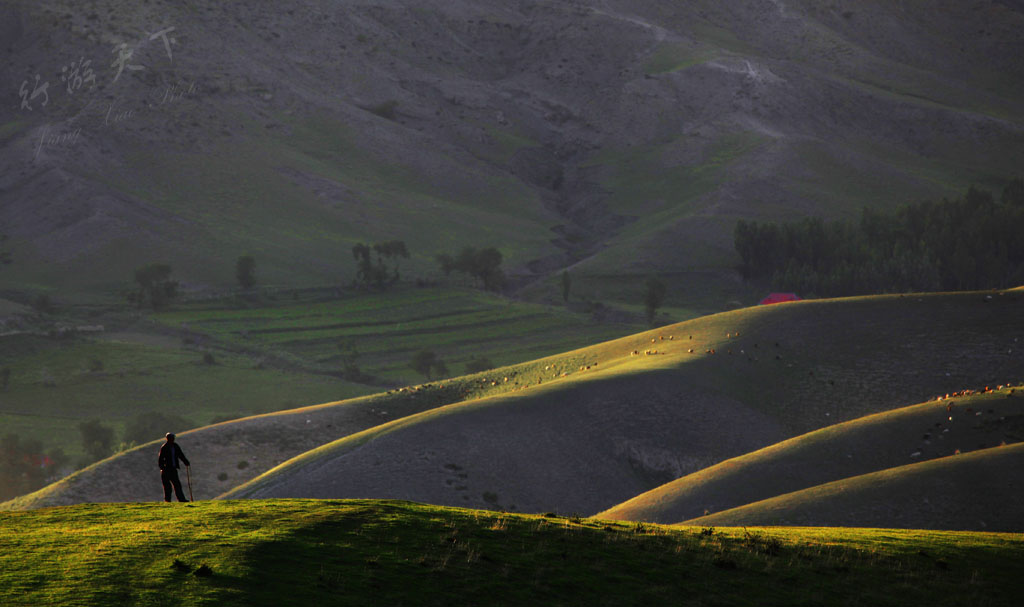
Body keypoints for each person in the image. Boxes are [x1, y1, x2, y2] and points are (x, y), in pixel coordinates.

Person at [157, 432, 190, 502]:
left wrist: (185, 462)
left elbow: (180, 455)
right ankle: (168, 500)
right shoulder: (164, 447)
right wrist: (162, 468)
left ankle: (181, 499)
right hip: (166, 470)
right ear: (168, 438)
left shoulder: (175, 446)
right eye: (172, 438)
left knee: (177, 484)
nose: (173, 439)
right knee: (168, 487)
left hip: (173, 469)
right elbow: (160, 459)